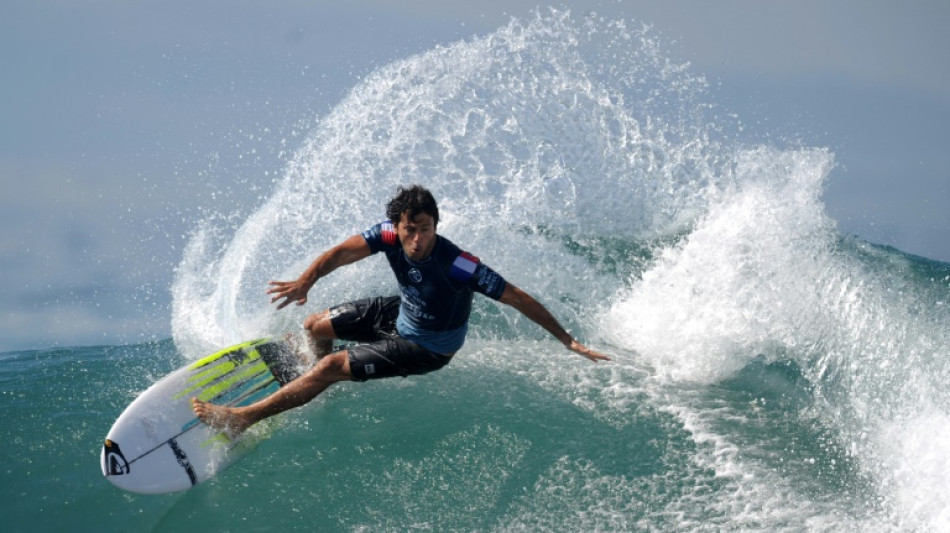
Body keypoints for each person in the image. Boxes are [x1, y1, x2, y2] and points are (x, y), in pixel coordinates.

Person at [193, 185, 609, 435]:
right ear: (398, 226)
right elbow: (340, 253)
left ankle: (245, 418)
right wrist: (306, 281)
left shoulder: (459, 265)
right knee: (314, 325)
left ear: (435, 226)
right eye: (410, 230)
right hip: (404, 312)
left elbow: (517, 297)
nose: (417, 240)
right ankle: (311, 378)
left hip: (429, 347)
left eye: (425, 229)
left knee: (333, 365)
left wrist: (567, 339)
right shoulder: (388, 236)